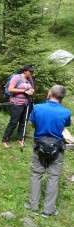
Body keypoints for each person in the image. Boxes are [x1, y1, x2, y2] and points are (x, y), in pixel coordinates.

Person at [25, 85, 71, 217]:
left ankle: (33, 206)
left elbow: (33, 124)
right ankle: (48, 210)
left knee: (36, 174)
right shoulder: (66, 112)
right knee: (53, 177)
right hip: (57, 147)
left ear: (49, 93)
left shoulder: (38, 107)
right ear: (62, 97)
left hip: (39, 145)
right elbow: (64, 126)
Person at [2, 64, 35, 148]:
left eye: (32, 71)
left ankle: (20, 139)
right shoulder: (16, 77)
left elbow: (32, 88)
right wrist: (24, 91)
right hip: (17, 103)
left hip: (27, 103)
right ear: (25, 71)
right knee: (14, 122)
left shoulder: (30, 78)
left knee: (24, 121)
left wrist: (31, 91)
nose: (32, 73)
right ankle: (5, 139)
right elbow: (10, 89)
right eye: (30, 71)